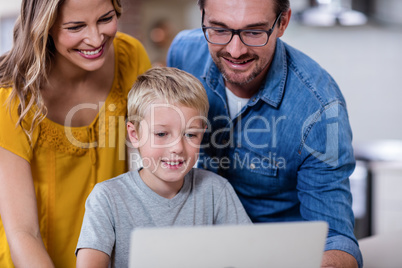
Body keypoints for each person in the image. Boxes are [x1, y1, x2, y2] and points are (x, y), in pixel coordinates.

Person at [167, 0, 362, 267]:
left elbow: (335, 239)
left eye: (254, 32)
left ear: (282, 23)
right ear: (202, 16)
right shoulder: (182, 54)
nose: (235, 51)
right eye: (220, 29)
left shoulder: (320, 109)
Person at [0, 0, 151, 266]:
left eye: (105, 19)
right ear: (44, 26)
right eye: (75, 26)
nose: (95, 39)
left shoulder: (131, 56)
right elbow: (23, 232)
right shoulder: (10, 98)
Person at [75, 67, 251, 267]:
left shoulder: (217, 192)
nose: (177, 148)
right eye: (161, 134)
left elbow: (248, 257)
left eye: (190, 134)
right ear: (134, 135)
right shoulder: (107, 198)